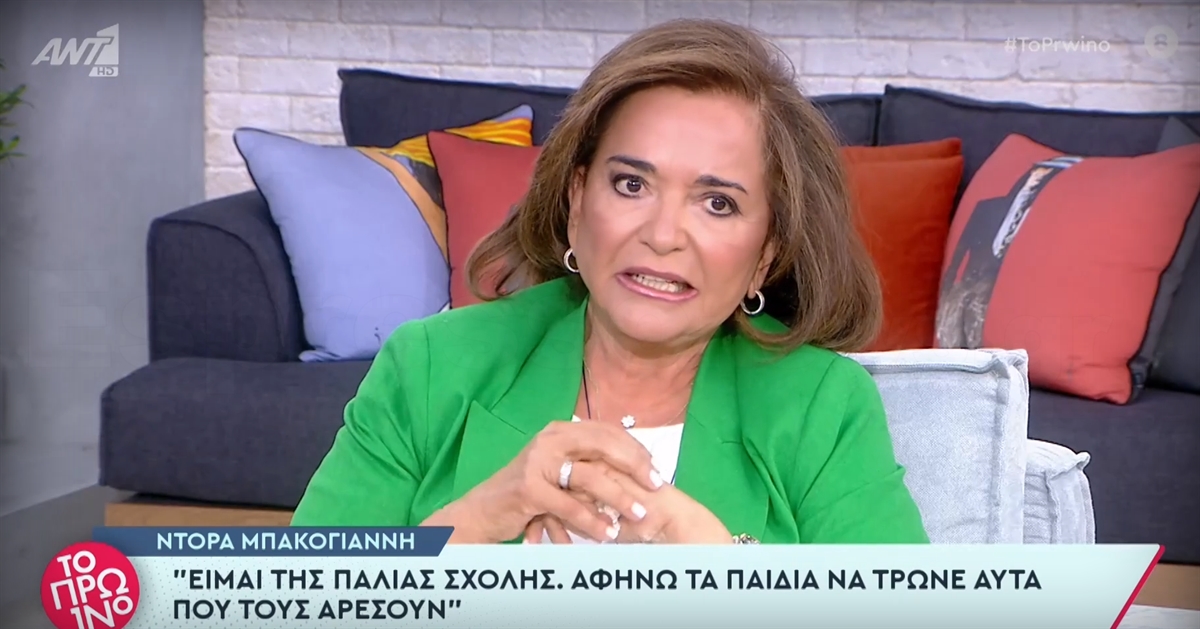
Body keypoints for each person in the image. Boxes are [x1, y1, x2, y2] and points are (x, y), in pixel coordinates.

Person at [291, 18, 929, 545]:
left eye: (718, 203)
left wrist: (728, 575)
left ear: (766, 254)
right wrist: (478, 521)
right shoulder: (432, 366)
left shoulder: (822, 406)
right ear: (577, 202)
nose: (663, 234)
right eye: (631, 184)